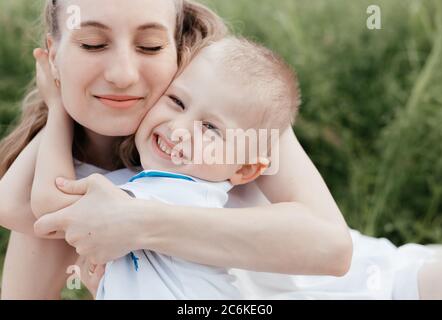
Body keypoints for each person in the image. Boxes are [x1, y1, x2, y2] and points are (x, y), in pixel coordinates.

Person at [0, 0, 352, 300]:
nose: (123, 74)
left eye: (151, 45)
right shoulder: (63, 170)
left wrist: (136, 222)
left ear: (179, 46)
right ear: (52, 57)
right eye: (93, 43)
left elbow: (333, 249)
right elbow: (17, 208)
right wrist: (58, 110)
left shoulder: (238, 97)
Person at [32, 36, 301, 299]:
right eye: (177, 102)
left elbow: (51, 206)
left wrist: (58, 108)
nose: (178, 128)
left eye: (210, 128)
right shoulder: (148, 185)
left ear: (244, 170)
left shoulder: (181, 194)